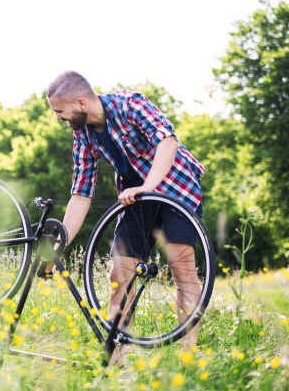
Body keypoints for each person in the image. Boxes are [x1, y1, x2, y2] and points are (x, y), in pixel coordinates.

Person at [43, 71, 205, 364]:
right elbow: (80, 195)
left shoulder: (131, 105)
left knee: (181, 267)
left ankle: (188, 358)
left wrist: (147, 186)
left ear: (81, 103)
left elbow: (168, 143)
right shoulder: (83, 136)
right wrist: (58, 247)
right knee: (120, 274)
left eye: (59, 111)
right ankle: (117, 360)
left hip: (177, 188)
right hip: (137, 198)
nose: (58, 118)